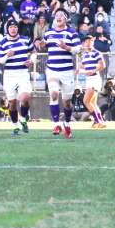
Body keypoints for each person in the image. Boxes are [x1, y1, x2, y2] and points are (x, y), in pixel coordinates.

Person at [40, 9, 82, 138]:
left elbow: (79, 49)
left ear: (66, 19)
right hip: (52, 69)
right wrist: (41, 44)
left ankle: (67, 124)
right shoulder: (49, 33)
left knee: (67, 102)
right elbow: (42, 45)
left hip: (67, 70)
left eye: (61, 16)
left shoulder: (72, 33)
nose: (58, 17)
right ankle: (57, 124)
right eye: (56, 15)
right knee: (53, 94)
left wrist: (67, 47)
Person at [0, 19, 36, 135]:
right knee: (12, 103)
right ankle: (15, 125)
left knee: (25, 98)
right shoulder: (2, 43)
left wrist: (31, 61)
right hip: (9, 75)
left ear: (18, 28)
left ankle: (23, 119)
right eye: (11, 27)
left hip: (23, 73)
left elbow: (34, 52)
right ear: (8, 29)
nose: (13, 29)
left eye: (15, 27)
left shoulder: (25, 40)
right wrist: (7, 55)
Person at [77, 35, 107, 128]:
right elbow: (84, 68)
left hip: (94, 78)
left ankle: (97, 120)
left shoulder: (96, 53)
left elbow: (102, 65)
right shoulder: (84, 55)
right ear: (83, 44)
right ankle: (100, 121)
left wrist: (93, 71)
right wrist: (79, 71)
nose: (88, 43)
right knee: (92, 103)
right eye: (86, 41)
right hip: (89, 79)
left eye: (90, 41)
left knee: (86, 101)